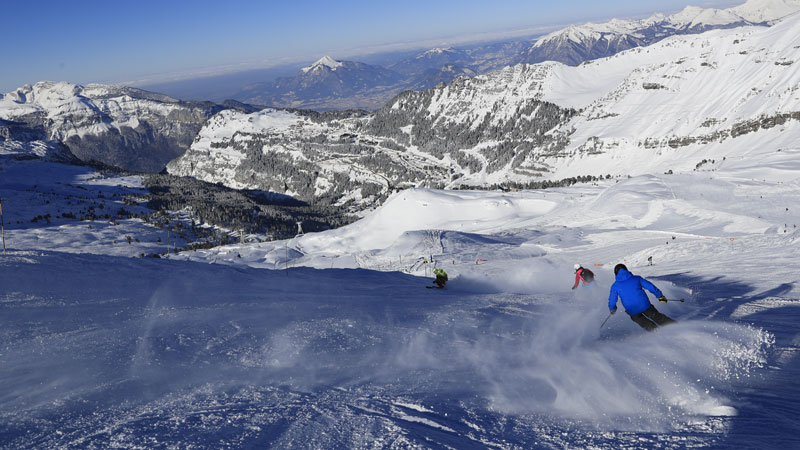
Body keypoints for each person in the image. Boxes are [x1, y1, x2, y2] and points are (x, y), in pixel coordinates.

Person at [608, 263, 676, 331]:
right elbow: (651, 287)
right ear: (626, 270)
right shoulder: (637, 278)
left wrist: (612, 309)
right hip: (645, 306)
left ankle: (657, 333)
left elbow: (612, 301)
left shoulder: (615, 286)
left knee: (647, 325)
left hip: (633, 311)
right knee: (658, 318)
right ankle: (676, 328)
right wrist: (660, 296)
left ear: (616, 274)